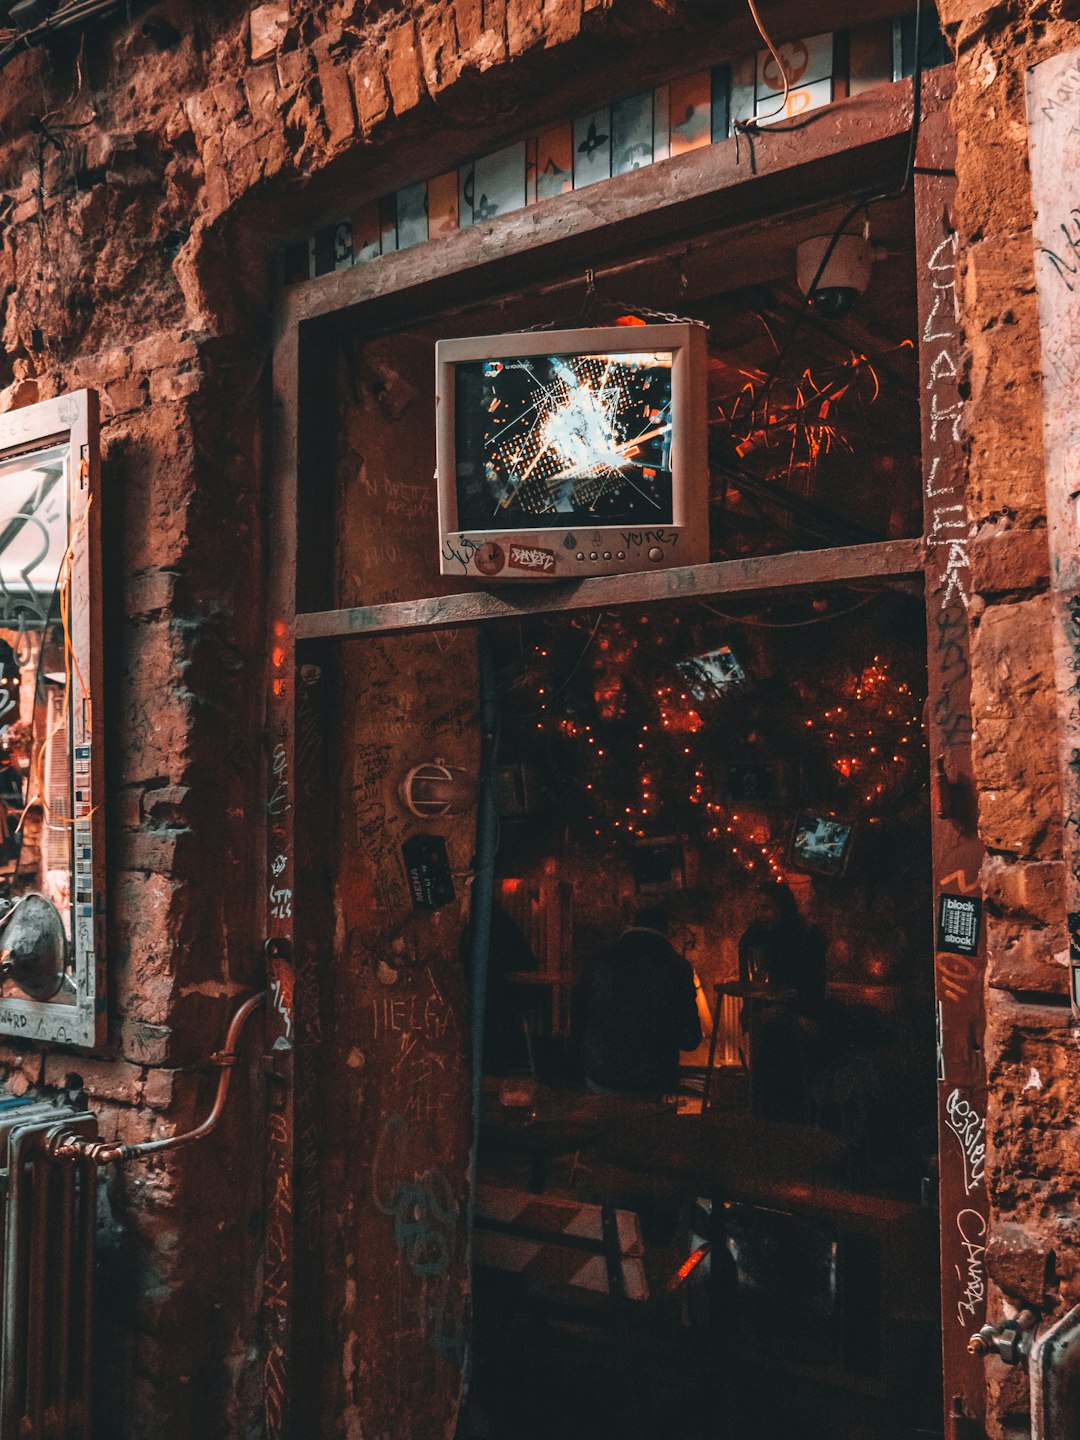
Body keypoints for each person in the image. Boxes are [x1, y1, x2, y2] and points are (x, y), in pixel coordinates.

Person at [574, 905, 701, 1098]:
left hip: (600, 1075)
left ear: (630, 925)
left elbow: (577, 1025)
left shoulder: (596, 961)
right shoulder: (679, 968)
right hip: (653, 1081)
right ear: (667, 931)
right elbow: (690, 1039)